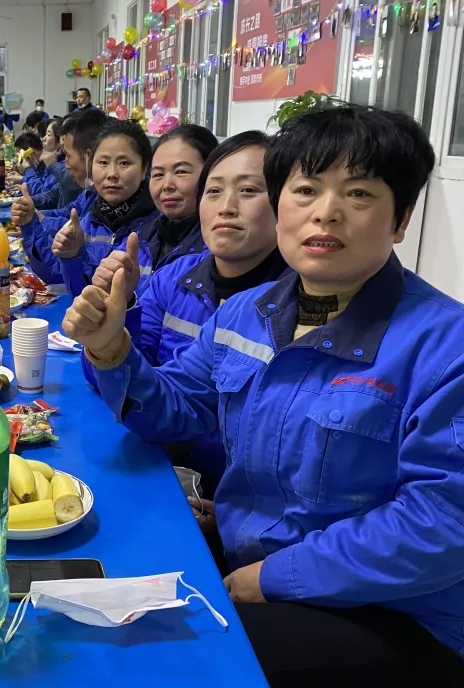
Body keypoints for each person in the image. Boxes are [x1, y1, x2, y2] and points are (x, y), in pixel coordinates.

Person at [64, 104, 464, 688]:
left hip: (403, 621)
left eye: (358, 193)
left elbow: (447, 526)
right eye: (305, 190)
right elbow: (176, 408)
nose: (325, 212)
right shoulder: (246, 314)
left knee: (154, 668)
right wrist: (112, 348)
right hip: (260, 570)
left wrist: (275, 576)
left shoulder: (456, 352)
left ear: (401, 219)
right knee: (88, 590)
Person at [82, 131, 288, 493]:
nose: (226, 207)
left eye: (249, 190)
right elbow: (161, 398)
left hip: (241, 501)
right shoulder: (175, 277)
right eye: (214, 191)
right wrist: (107, 341)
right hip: (167, 467)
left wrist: (227, 511)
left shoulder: (294, 304)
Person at [50, 119, 162, 298]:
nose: (112, 174)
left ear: (144, 169)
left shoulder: (160, 229)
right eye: (103, 162)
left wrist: (126, 298)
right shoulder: (89, 221)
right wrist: (71, 257)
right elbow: (82, 296)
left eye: (124, 163)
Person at [12, 108, 106, 283]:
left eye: (124, 163)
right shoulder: (91, 193)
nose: (112, 174)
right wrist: (32, 217)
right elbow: (67, 212)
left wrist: (37, 218)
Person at [133, 124, 218, 279]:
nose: (167, 185)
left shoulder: (219, 251)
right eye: (158, 174)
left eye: (181, 172)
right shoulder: (137, 240)